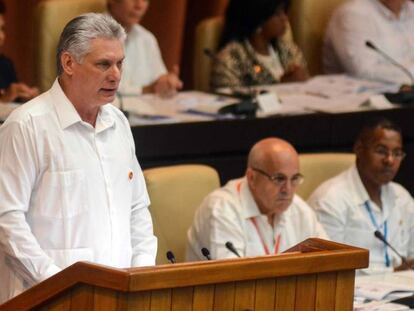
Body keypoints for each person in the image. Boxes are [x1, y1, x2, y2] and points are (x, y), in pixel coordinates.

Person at [0, 13, 157, 303]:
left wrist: (142, 274)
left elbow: (137, 209)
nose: (116, 75)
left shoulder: (119, 123)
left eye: (120, 63)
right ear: (69, 63)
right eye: (103, 64)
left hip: (119, 298)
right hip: (46, 297)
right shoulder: (26, 126)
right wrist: (58, 284)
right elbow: (7, 220)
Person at [186, 137, 326, 261]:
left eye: (294, 179)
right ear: (252, 178)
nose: (288, 190)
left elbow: (330, 258)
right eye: (278, 179)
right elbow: (232, 279)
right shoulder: (222, 209)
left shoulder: (299, 209)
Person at [308, 118, 414, 274]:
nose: (389, 160)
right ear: (358, 149)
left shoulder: (402, 197)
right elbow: (329, 268)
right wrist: (391, 272)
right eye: (381, 151)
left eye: (397, 153)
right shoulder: (330, 200)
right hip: (354, 294)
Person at [210, 0, 308, 90]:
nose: (285, 19)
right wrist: (281, 88)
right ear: (259, 19)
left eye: (284, 12)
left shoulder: (289, 50)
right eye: (278, 14)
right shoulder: (230, 59)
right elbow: (228, 100)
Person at [323, 0, 414, 86]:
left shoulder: (410, 9)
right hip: (363, 96)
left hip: (404, 90)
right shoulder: (354, 13)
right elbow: (363, 72)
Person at [107, 0, 182, 97]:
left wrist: (167, 83)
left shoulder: (147, 38)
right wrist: (147, 90)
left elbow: (158, 80)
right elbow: (100, 89)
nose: (139, 5)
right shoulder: (91, 35)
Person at [0, 0, 38, 103]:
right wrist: (4, 100)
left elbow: (14, 104)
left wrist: (26, 97)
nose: (1, 36)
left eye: (2, 29)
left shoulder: (5, 65)